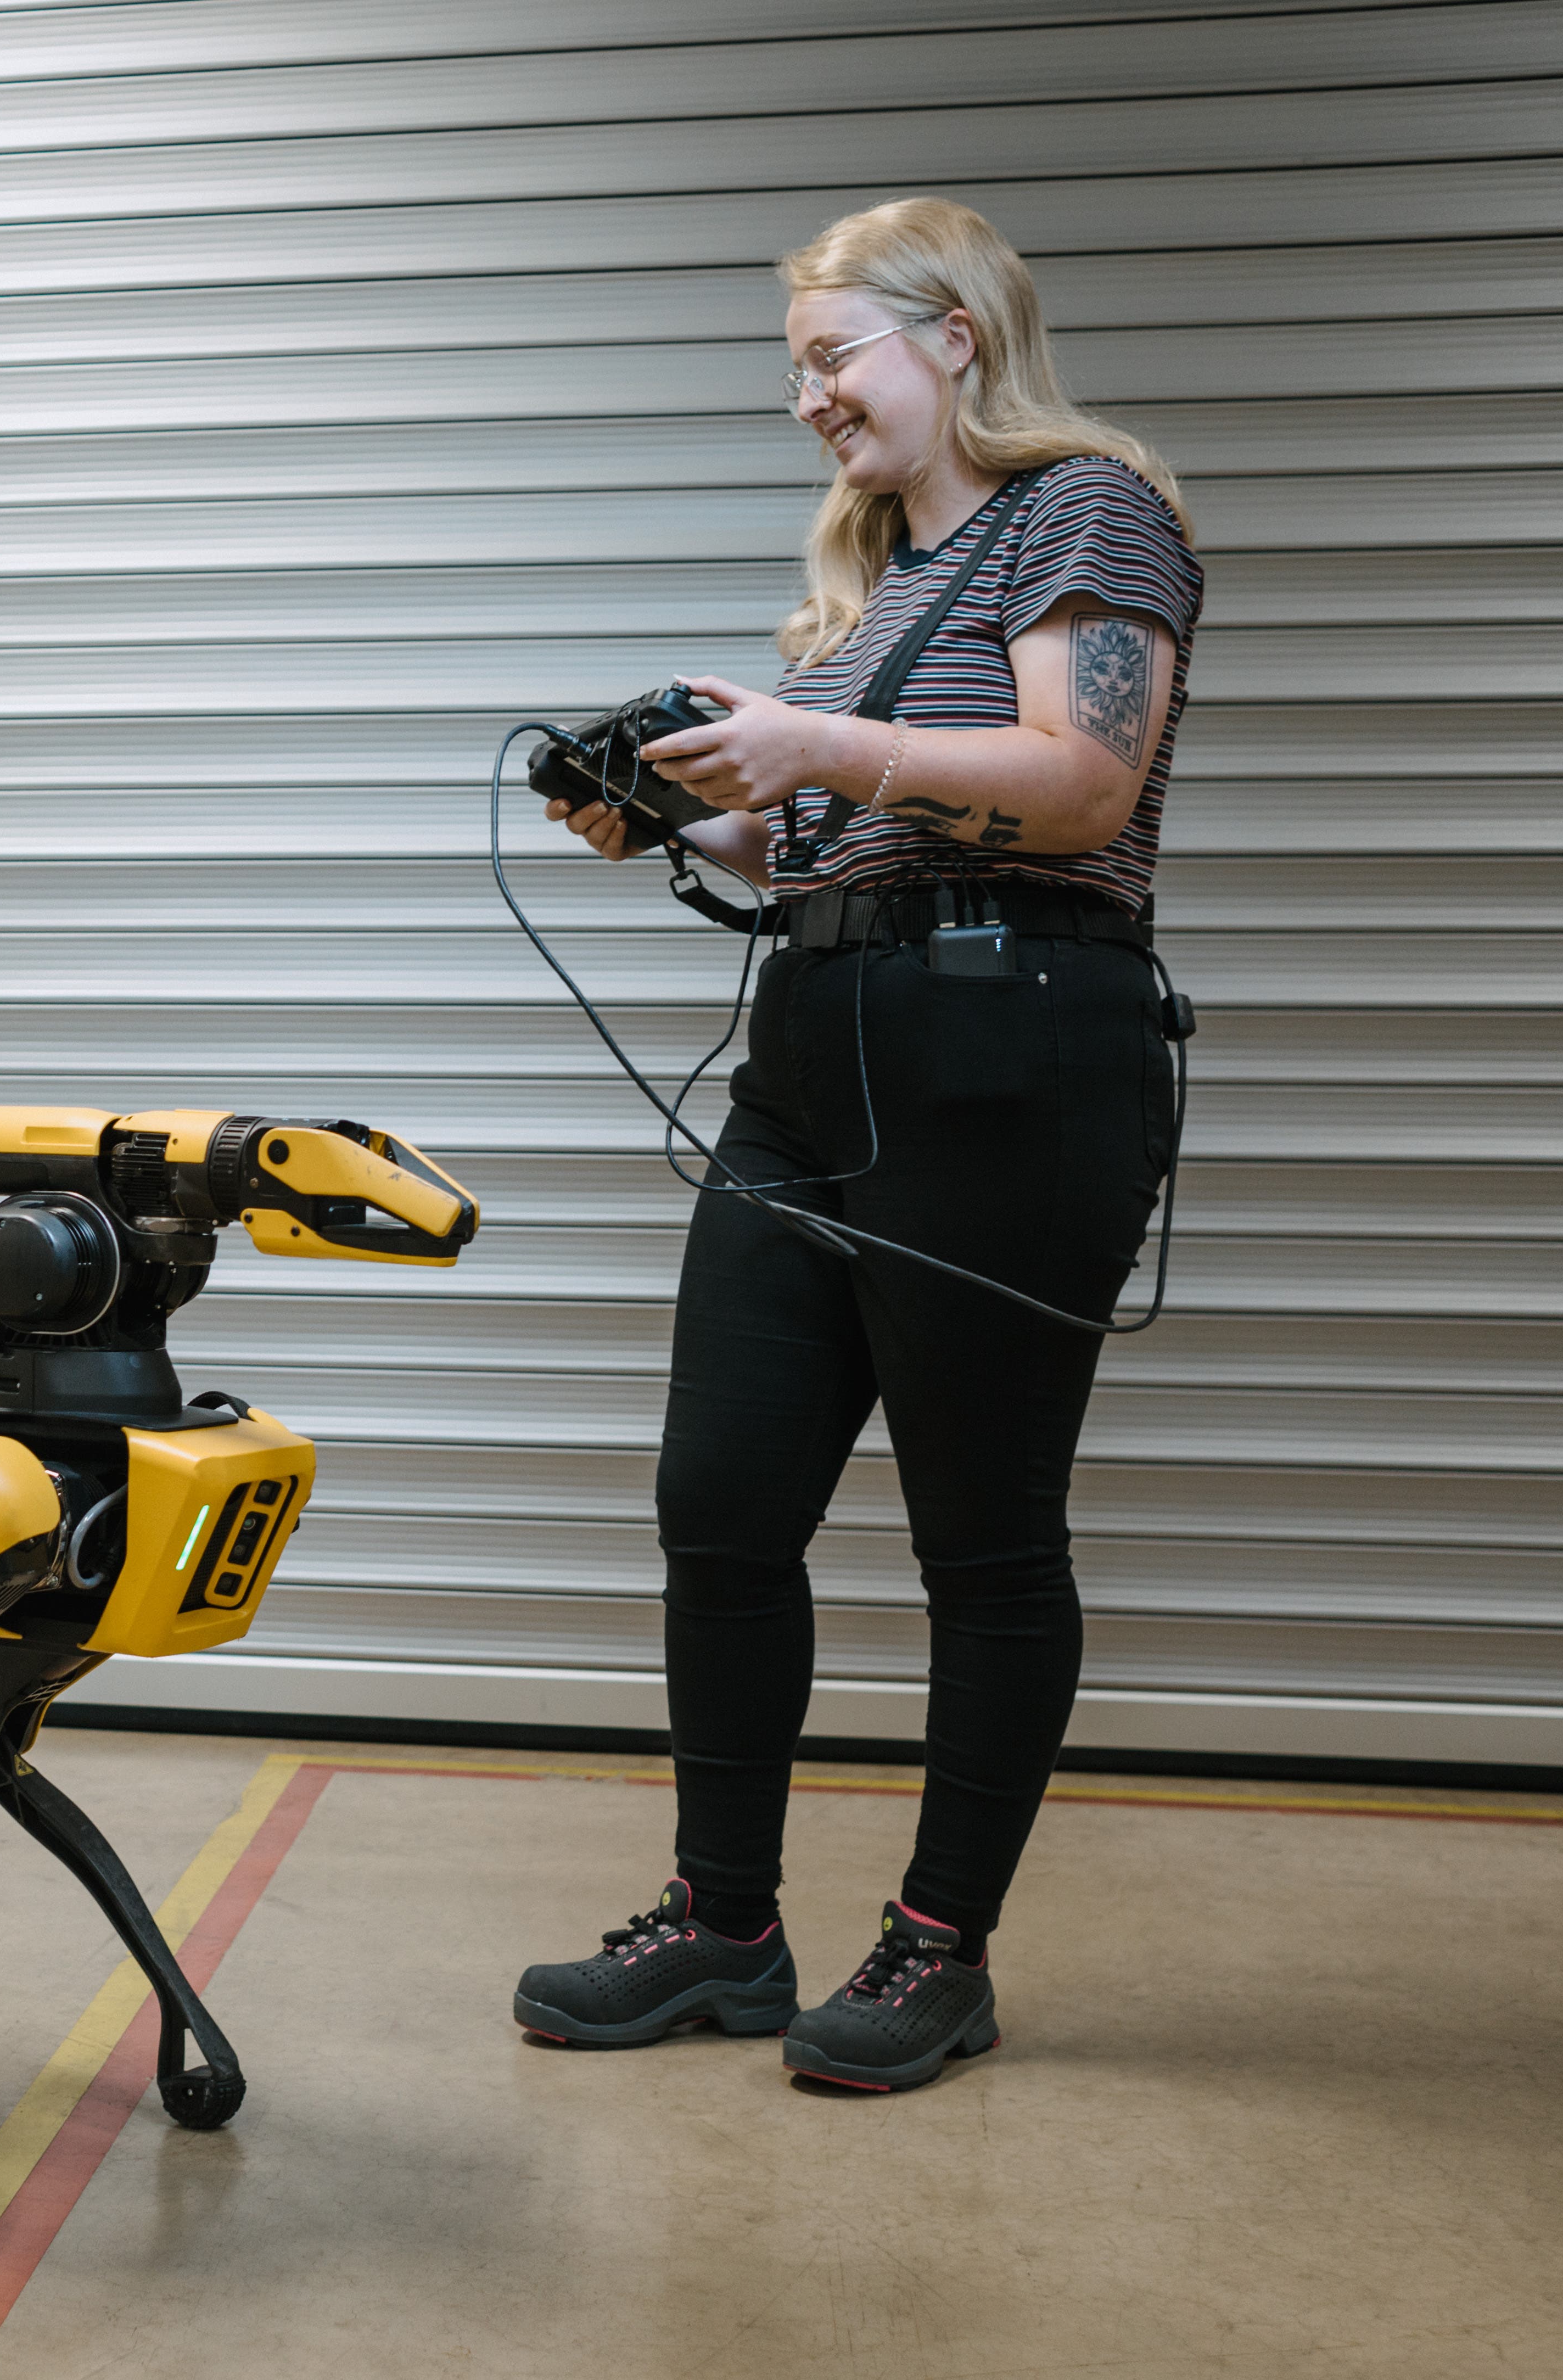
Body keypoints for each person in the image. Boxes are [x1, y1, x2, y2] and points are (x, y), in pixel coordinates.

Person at [507, 197, 1201, 2092]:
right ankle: (725, 1928)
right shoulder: (887, 579)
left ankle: (936, 1950)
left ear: (956, 334)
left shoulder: (1090, 510)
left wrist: (820, 746)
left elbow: (1080, 786)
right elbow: (841, 833)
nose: (809, 396)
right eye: (797, 366)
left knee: (983, 1544)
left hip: (1012, 1052)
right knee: (719, 1503)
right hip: (821, 1047)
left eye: (834, 355)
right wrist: (683, 814)